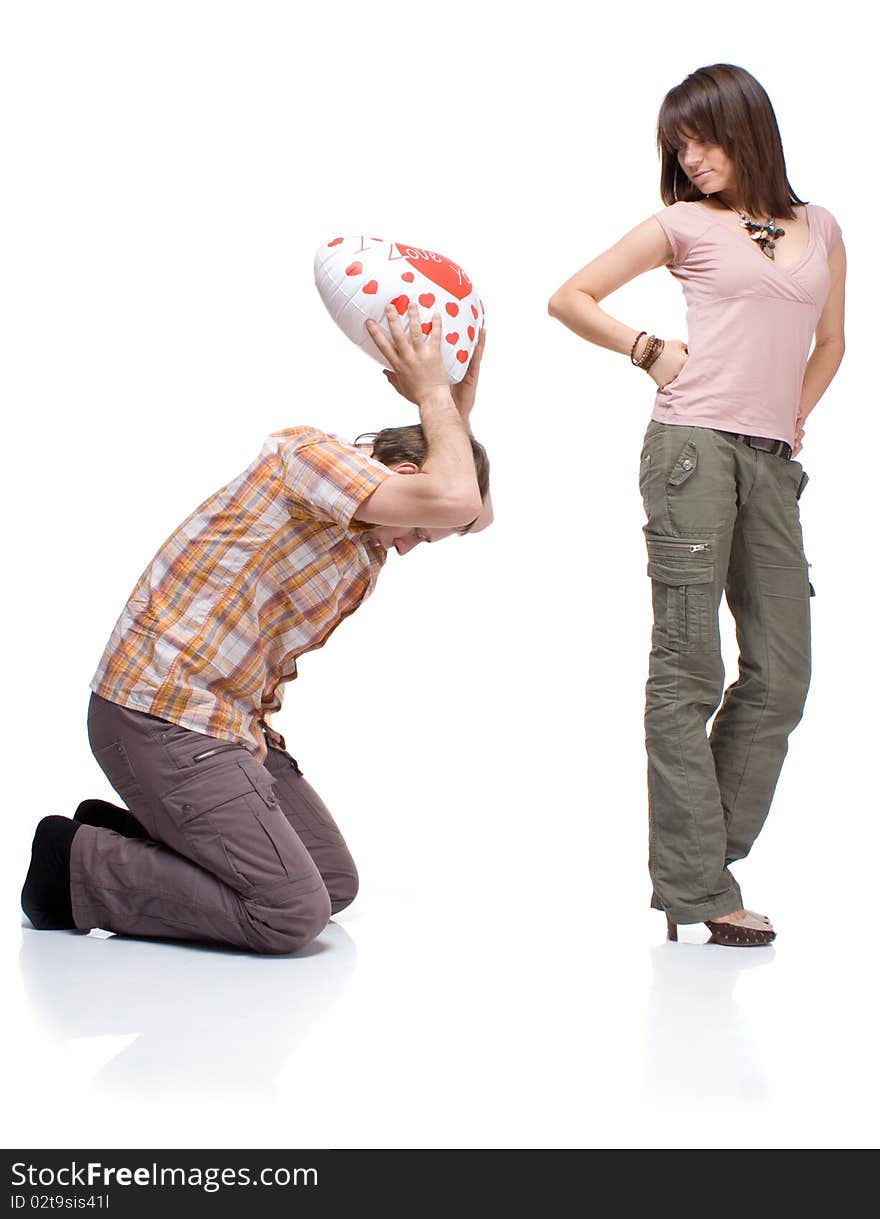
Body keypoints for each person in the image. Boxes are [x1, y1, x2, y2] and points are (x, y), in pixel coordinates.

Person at [21, 301, 492, 954]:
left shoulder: (366, 534)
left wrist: (455, 415)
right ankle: (75, 866)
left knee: (331, 882)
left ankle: (144, 839)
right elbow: (458, 499)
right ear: (406, 474)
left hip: (226, 724)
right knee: (288, 914)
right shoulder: (307, 458)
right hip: (160, 713)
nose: (409, 547)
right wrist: (434, 391)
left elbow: (473, 508)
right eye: (417, 533)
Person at [548, 63, 845, 946]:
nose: (692, 157)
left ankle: (704, 859)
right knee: (688, 670)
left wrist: (791, 422)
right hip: (690, 452)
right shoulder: (682, 223)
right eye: (678, 145)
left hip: (770, 462)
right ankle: (700, 887)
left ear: (747, 128)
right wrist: (648, 348)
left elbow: (830, 343)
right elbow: (570, 297)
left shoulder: (821, 226)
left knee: (782, 673)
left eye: (704, 138)